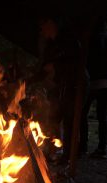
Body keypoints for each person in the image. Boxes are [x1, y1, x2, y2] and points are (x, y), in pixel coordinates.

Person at [38, 16, 81, 162]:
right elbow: (44, 68)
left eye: (43, 26)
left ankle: (69, 155)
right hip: (59, 86)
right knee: (53, 118)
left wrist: (55, 67)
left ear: (51, 24)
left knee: (70, 120)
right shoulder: (50, 45)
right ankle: (51, 151)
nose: (41, 30)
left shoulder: (67, 40)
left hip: (74, 84)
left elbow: (75, 62)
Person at [80, 19, 107, 158]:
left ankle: (85, 146)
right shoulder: (98, 38)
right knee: (102, 116)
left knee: (84, 113)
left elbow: (89, 60)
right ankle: (100, 147)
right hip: (100, 81)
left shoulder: (93, 39)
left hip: (94, 81)